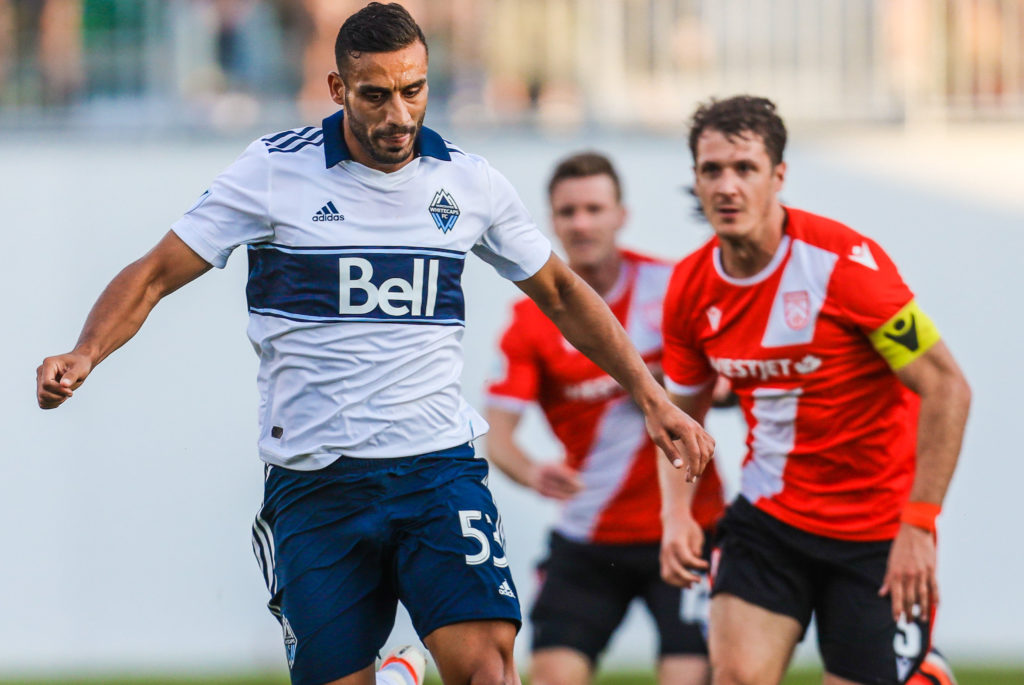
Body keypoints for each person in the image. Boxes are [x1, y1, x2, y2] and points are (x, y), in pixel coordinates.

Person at [34, 4, 715, 685]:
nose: (398, 114)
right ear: (337, 89)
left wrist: (652, 399)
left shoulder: (467, 182)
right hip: (315, 484)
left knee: (488, 669)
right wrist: (86, 350)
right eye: (375, 94)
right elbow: (154, 273)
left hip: (435, 471)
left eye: (413, 89)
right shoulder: (274, 172)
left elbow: (563, 293)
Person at [657, 95, 970, 685]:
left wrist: (919, 525)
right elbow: (679, 417)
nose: (727, 186)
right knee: (737, 677)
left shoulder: (844, 264)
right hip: (769, 521)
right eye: (711, 170)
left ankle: (922, 668)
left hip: (876, 530)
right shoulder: (690, 288)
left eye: (745, 169)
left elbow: (947, 387)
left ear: (778, 176)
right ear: (695, 179)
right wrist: (675, 515)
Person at [485, 152, 726, 685]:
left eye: (595, 208)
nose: (582, 223)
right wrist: (530, 472)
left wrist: (713, 390)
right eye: (568, 212)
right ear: (551, 222)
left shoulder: (672, 289)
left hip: (686, 527)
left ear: (622, 215)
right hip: (588, 535)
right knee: (549, 676)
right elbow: (497, 433)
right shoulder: (529, 321)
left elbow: (725, 380)